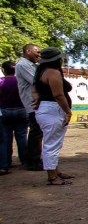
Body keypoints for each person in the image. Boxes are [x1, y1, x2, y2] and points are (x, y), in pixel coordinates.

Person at [32, 47, 74, 185]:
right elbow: (58, 95)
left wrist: (37, 97)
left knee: (54, 142)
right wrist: (67, 111)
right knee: (52, 144)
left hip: (48, 109)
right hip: (53, 110)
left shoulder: (40, 72)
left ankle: (55, 171)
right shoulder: (53, 72)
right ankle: (52, 176)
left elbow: (34, 89)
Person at [15, 44, 43, 171]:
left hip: (35, 103)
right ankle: (32, 161)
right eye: (37, 52)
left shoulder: (31, 65)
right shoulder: (23, 65)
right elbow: (36, 81)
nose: (39, 54)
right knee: (36, 132)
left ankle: (33, 159)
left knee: (37, 132)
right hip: (32, 103)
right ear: (28, 51)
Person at [0, 61, 28, 175]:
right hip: (21, 109)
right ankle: (25, 160)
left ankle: (5, 163)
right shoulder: (20, 81)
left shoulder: (1, 81)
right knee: (22, 136)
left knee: (5, 138)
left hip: (4, 111)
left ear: (4, 70)